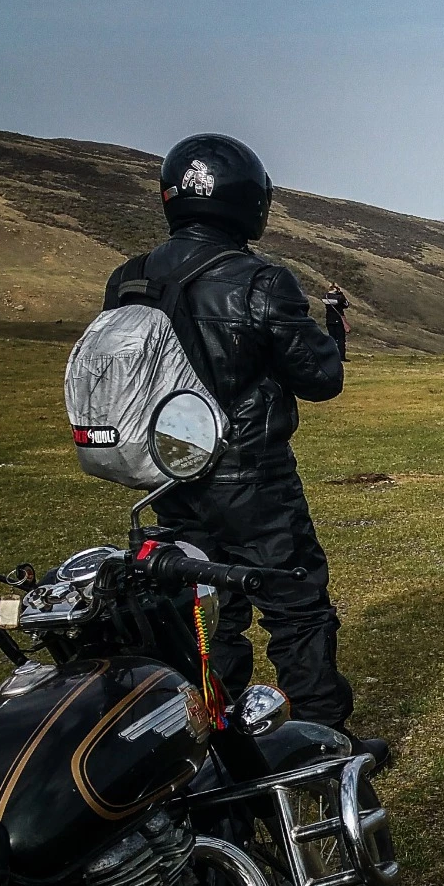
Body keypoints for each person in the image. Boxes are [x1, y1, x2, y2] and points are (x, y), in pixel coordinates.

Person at [106, 133, 386, 763]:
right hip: (251, 475)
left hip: (168, 475)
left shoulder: (128, 280)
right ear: (247, 201)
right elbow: (321, 380)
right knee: (295, 603)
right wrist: (329, 331)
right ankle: (324, 739)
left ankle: (214, 743)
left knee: (206, 607)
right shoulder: (259, 281)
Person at [322, 283, 349, 361]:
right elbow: (346, 304)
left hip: (329, 319)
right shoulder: (339, 298)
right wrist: (341, 293)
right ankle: (341, 356)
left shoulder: (325, 297)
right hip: (338, 319)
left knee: (332, 338)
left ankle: (332, 355)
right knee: (340, 339)